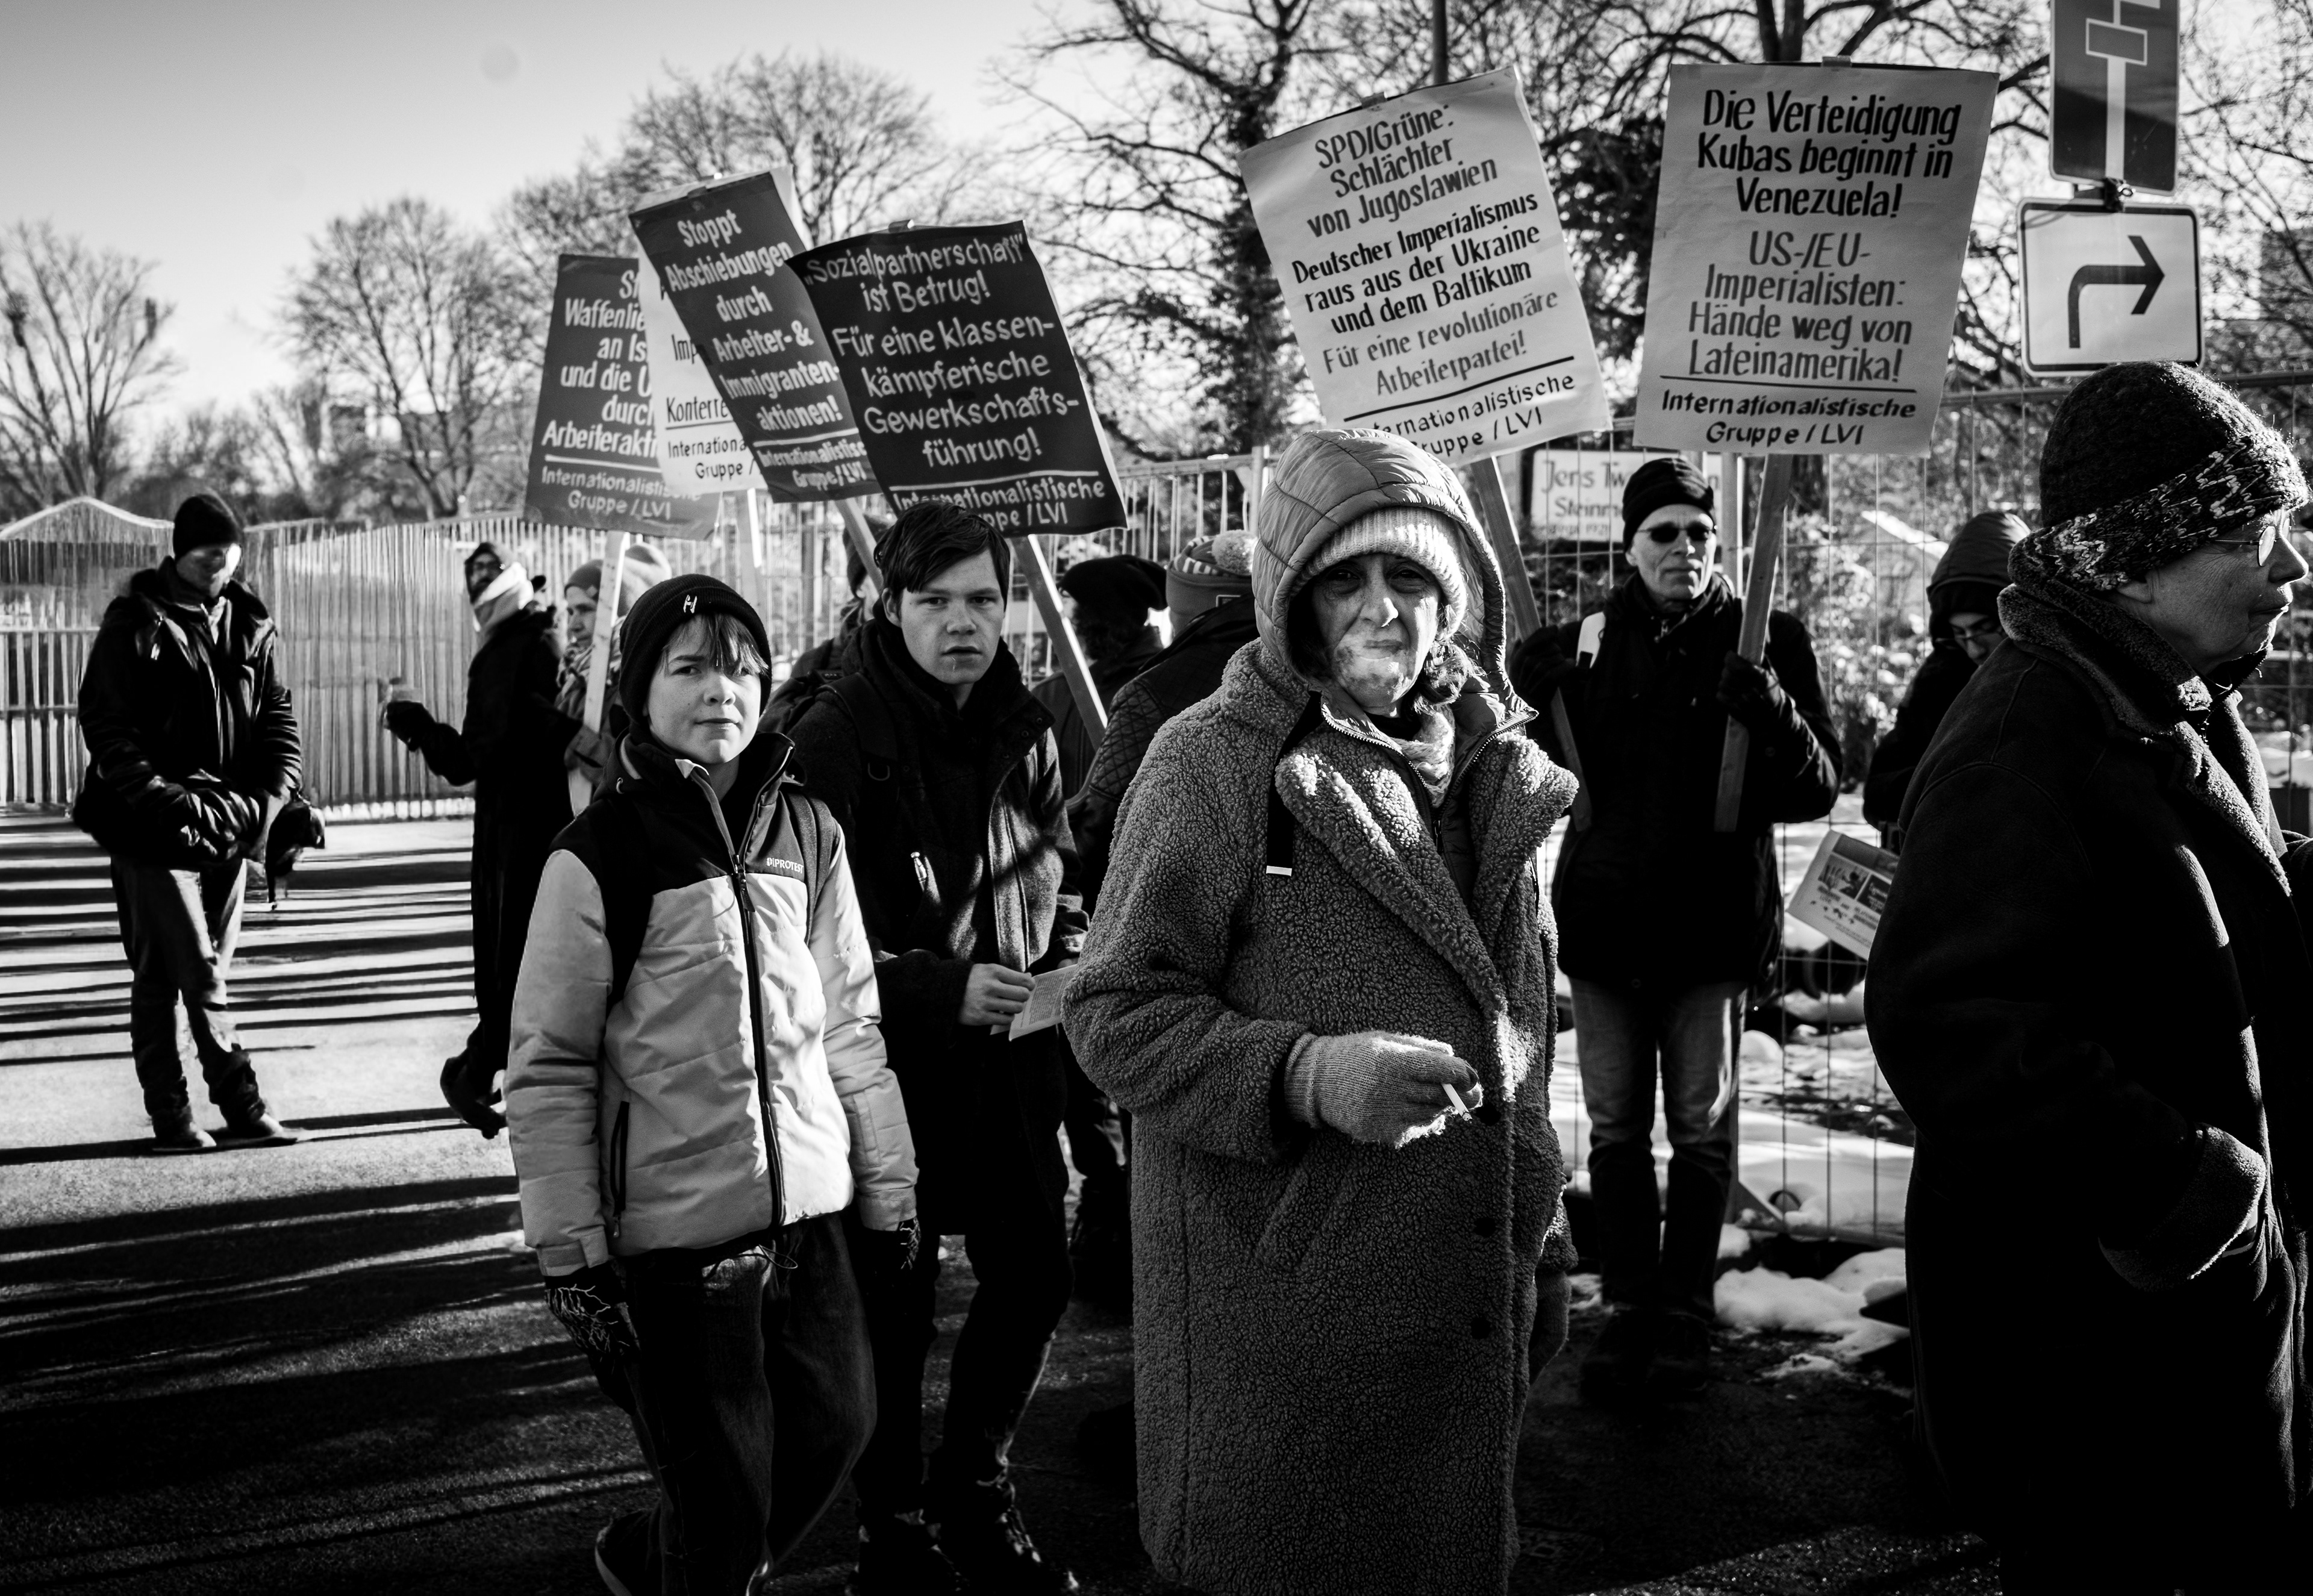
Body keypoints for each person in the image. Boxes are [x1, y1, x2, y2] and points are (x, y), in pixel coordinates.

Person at [1063, 427, 1581, 1596]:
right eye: (1346, 577)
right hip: (1286, 1321)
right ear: (1290, 598)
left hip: (1458, 1301)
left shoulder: (1497, 764)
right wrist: (1306, 1073)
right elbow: (1113, 1010)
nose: (1382, 608)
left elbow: (1525, 1038)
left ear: (1453, 597)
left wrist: (1542, 1233)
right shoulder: (1212, 762)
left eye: (1410, 576)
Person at [1867, 362, 2313, 1592]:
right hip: (2093, 1359)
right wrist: (2187, 1188)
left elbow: (2192, 878)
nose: (2290, 568)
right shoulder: (2030, 730)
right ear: (2128, 561)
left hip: (2170, 1336)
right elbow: (1953, 1022)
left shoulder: (2166, 696)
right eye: (2248, 536)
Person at [506, 574, 918, 1594]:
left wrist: (890, 1189)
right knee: (726, 1509)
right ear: (638, 691)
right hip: (675, 1246)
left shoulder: (812, 832)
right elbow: (550, 1065)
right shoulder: (597, 854)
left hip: (812, 1218)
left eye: (740, 667)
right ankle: (696, 1559)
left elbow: (852, 1024)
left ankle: (658, 1556)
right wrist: (574, 1255)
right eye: (687, 668)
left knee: (840, 1427)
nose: (719, 689)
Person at [786, 503, 1084, 1596]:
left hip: (1012, 1068)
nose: (965, 624)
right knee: (894, 1315)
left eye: (984, 601)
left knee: (1036, 1278)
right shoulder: (834, 734)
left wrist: (1070, 964)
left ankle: (975, 1488)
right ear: (890, 606)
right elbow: (801, 935)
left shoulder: (1030, 725)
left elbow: (1059, 876)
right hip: (888, 1080)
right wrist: (939, 987)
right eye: (937, 602)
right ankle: (894, 1529)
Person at [1509, 456, 1840, 1401]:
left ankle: (1686, 1312)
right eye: (1665, 533)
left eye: (1701, 533)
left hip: (1710, 933)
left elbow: (1818, 784)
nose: (1686, 550)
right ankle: (1628, 1307)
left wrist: (1770, 708)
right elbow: (1529, 778)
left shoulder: (1768, 635)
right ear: (1631, 545)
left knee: (1700, 1132)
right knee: (1614, 1130)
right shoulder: (1585, 644)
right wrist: (1523, 692)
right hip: (1609, 930)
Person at [72, 491, 304, 1152]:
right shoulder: (134, 623)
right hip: (151, 828)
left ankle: (171, 1118)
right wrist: (168, 802)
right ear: (180, 551)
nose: (220, 571)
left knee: (170, 972)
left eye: (230, 559)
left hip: (229, 824)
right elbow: (107, 728)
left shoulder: (251, 621)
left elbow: (279, 722)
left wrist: (267, 800)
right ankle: (240, 1101)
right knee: (196, 967)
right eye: (208, 557)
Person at [382, 541, 579, 1138]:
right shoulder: (534, 639)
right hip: (532, 826)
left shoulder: (512, 646)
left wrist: (412, 722)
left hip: (520, 832)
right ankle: (485, 1074)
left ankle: (479, 1072)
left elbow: (473, 759)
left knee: (519, 961)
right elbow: (490, 753)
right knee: (525, 962)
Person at [1069, 530, 1260, 909]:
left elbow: (1102, 822)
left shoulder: (1151, 693)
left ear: (1184, 608)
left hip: (1176, 914)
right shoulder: (1318, 674)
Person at [1861, 510, 2028, 843]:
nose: (1974, 648)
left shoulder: (2055, 678)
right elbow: (1879, 791)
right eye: (1959, 633)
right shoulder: (1940, 678)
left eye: (1984, 629)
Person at [1029, 553, 1167, 795]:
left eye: (1065, 597)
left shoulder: (1158, 683)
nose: (1056, 610)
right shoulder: (1049, 693)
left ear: (1098, 608)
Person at [556, 541, 671, 803]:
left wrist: (572, 736)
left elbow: (639, 766)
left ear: (620, 612)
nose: (573, 624)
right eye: (571, 611)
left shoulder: (644, 677)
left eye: (586, 610)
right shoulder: (575, 672)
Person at [767, 538, 875, 734]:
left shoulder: (922, 658)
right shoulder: (814, 664)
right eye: (880, 571)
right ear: (860, 587)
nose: (891, 585)